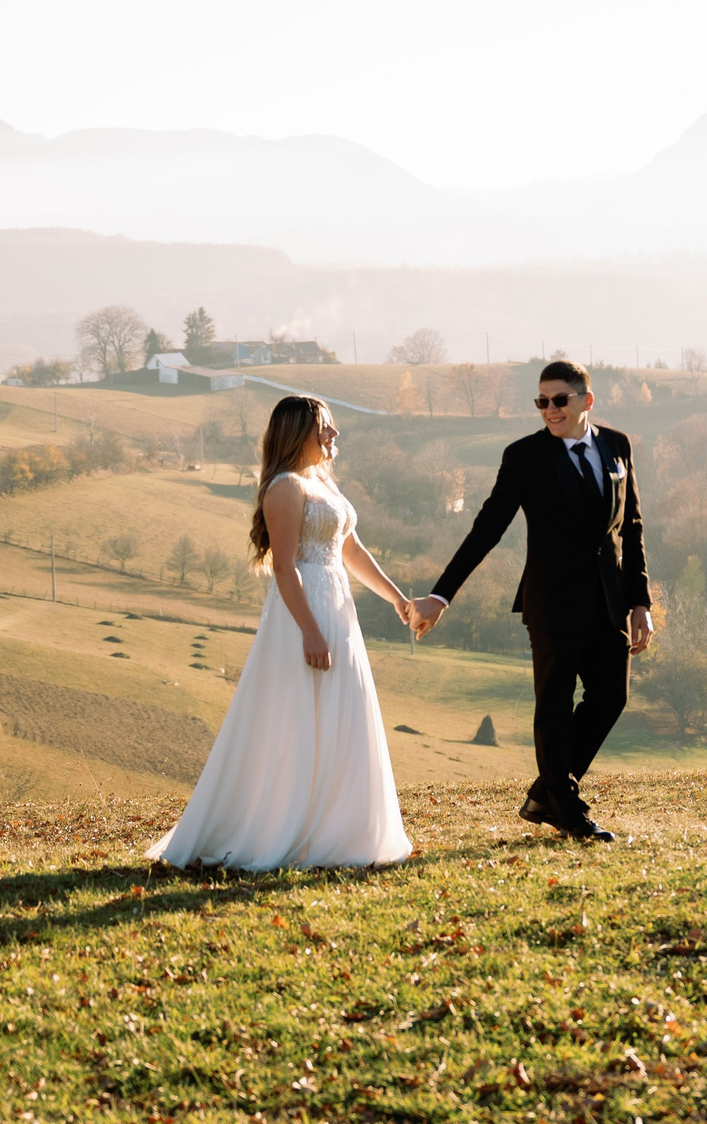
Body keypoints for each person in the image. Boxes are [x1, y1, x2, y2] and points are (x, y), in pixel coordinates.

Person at [148, 395, 415, 871]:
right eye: (324, 426)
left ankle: (337, 829)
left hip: (338, 609)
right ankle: (280, 827)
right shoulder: (285, 487)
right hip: (303, 612)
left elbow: (352, 551)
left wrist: (397, 598)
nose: (334, 434)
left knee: (343, 710)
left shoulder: (322, 482)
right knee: (297, 717)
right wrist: (310, 632)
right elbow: (285, 567)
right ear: (298, 433)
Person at [409, 359, 652, 841]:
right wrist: (441, 595)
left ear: (587, 400)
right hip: (552, 604)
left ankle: (546, 794)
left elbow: (633, 528)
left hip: (609, 601)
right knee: (554, 707)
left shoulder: (617, 446)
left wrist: (640, 601)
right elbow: (487, 529)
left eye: (560, 399)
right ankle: (567, 810)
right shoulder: (524, 456)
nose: (550, 410)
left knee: (611, 696)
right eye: (542, 401)